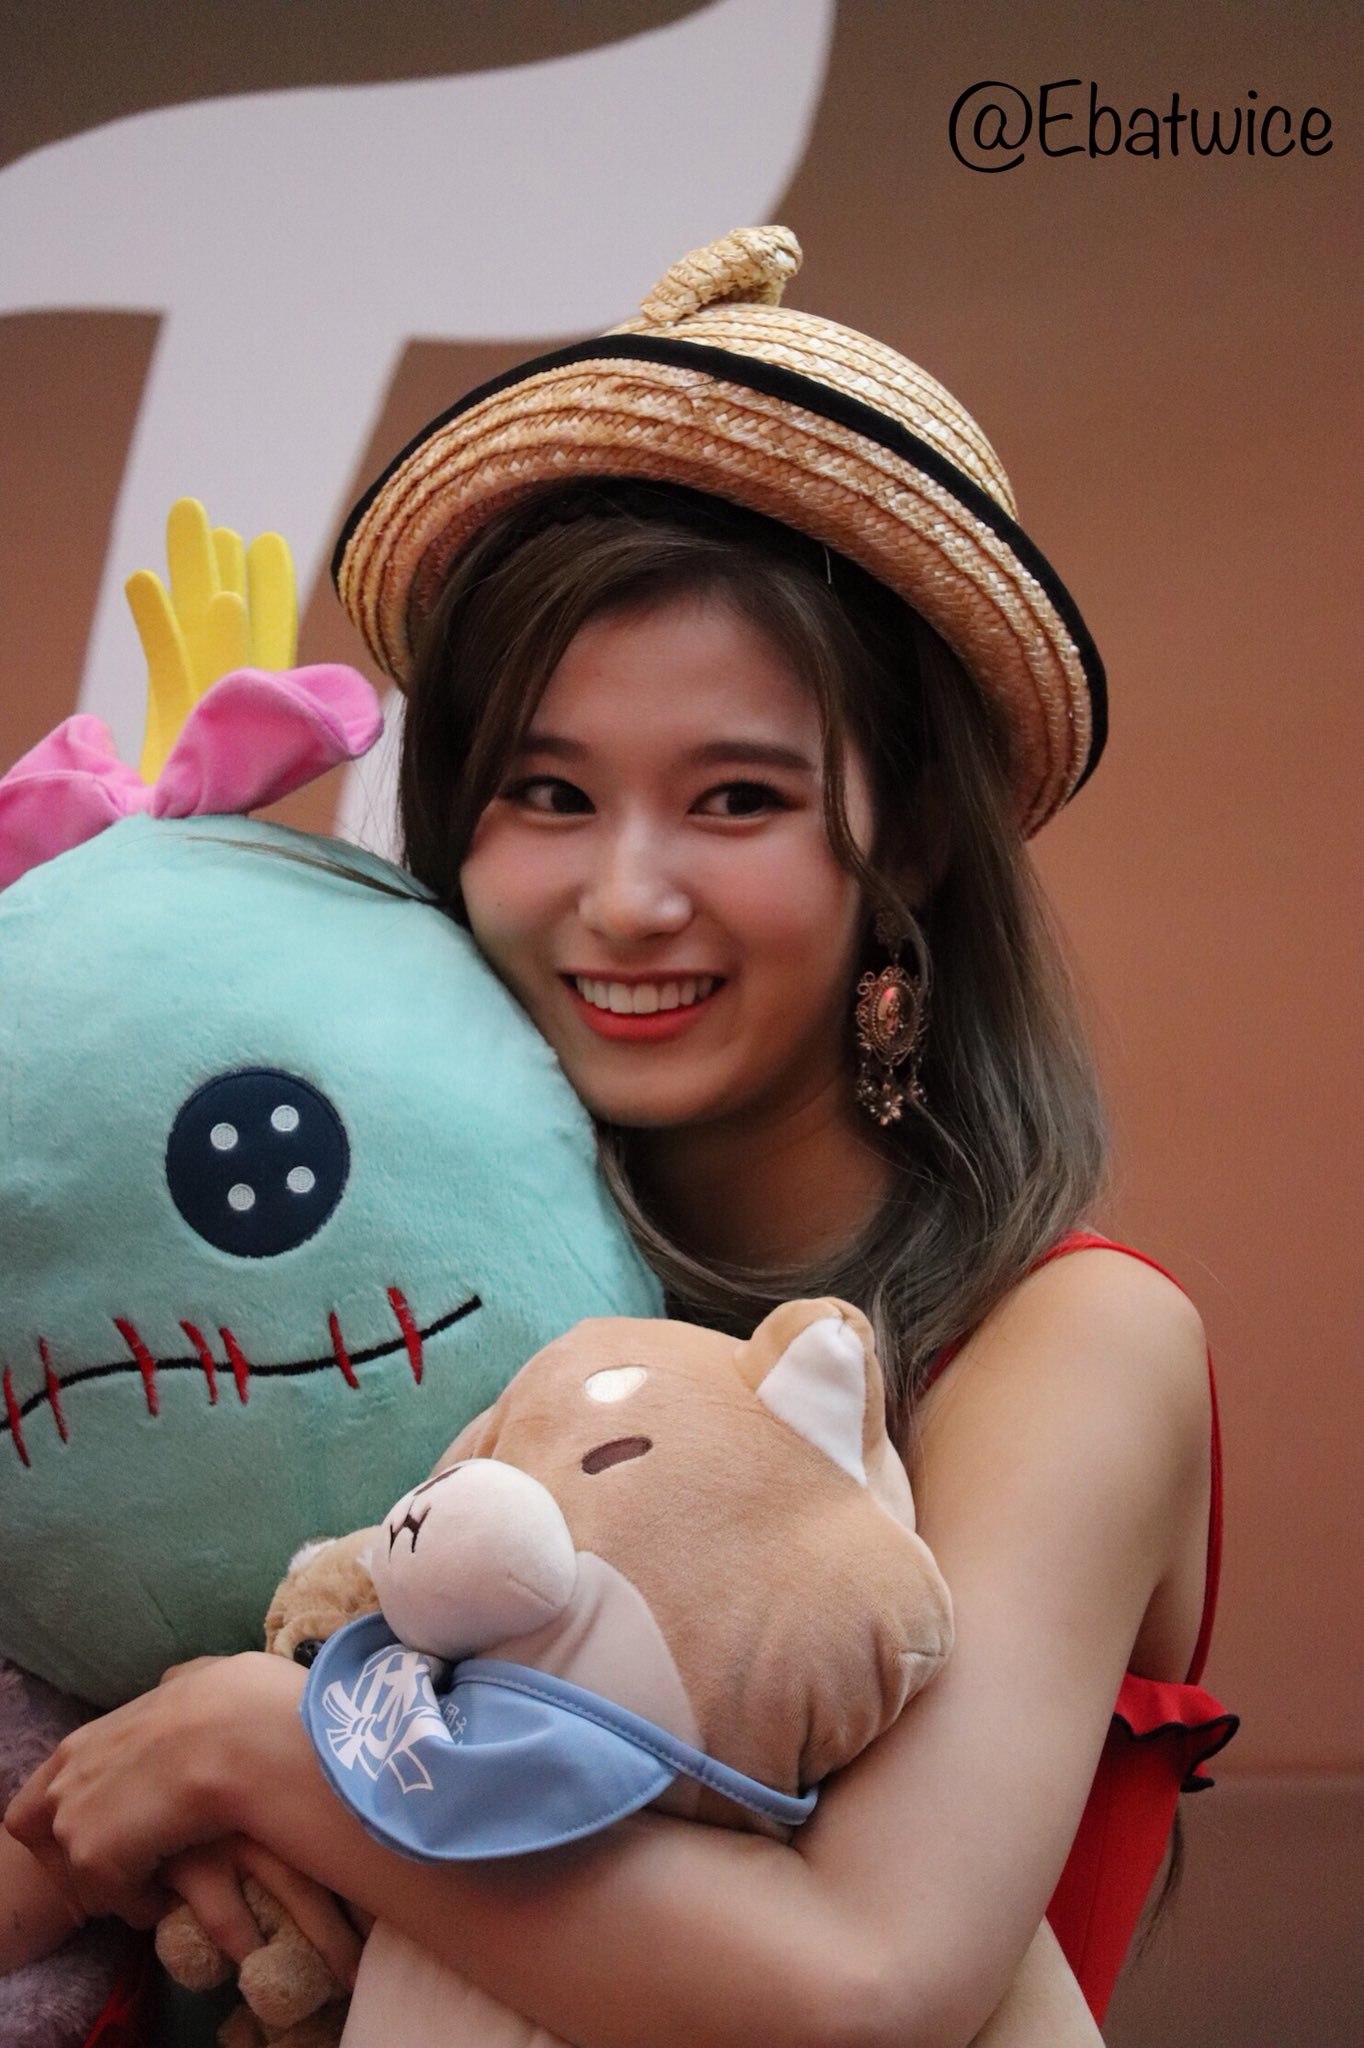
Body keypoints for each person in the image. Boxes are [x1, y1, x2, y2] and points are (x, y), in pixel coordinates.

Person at [7, 227, 1234, 2047]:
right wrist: (142, 1814)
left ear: (909, 839)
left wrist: (278, 1756)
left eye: (736, 798)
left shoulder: (1070, 1341)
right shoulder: (391, 1306)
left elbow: (870, 1979)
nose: (628, 894)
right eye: (549, 792)